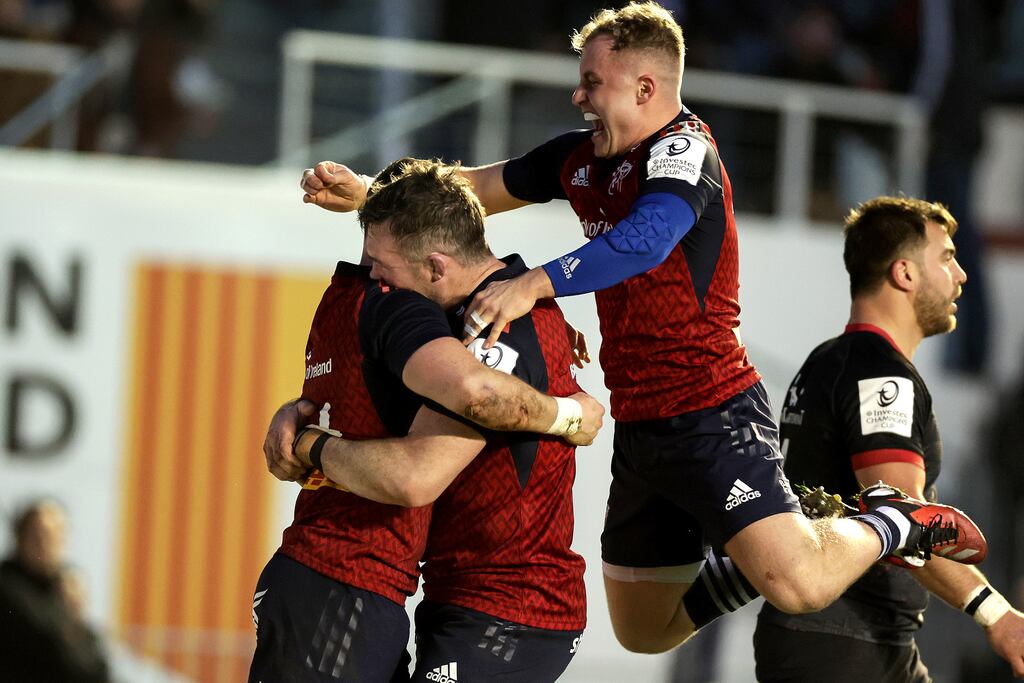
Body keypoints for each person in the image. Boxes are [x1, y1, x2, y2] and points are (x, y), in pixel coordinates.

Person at [298, 1, 988, 655]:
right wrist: (370, 190)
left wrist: (536, 281)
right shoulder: (581, 159)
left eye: (593, 82)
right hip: (642, 423)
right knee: (643, 628)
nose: (579, 96)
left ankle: (900, 519)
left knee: (801, 586)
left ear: (646, 86)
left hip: (713, 411)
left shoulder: (686, 151)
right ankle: (755, 552)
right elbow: (474, 186)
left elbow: (649, 238)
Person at [255, 158, 601, 682]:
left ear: (437, 267)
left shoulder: (497, 325)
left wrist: (567, 416)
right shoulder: (487, 305)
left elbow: (422, 468)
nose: (374, 278)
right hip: (454, 597)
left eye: (380, 265)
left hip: (511, 609)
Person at [752, 197, 1024, 681]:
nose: (961, 274)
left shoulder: (826, 361)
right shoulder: (882, 376)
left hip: (849, 641)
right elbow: (904, 518)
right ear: (905, 273)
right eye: (946, 257)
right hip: (845, 645)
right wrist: (996, 614)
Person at [0, 499, 111, 683]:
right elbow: (47, 644)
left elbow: (97, 668)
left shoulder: (60, 587)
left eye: (56, 535)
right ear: (21, 537)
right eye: (39, 534)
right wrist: (67, 614)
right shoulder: (8, 587)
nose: (46, 543)